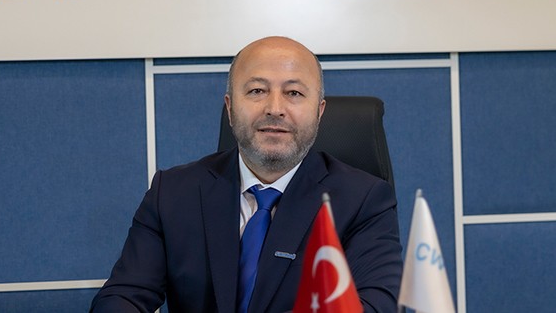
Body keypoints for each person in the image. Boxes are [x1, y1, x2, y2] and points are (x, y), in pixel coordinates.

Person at [90, 36, 402, 312]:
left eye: (294, 93)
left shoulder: (363, 201)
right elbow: (122, 296)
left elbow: (376, 304)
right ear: (230, 108)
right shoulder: (172, 193)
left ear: (319, 112)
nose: (275, 108)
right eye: (257, 90)